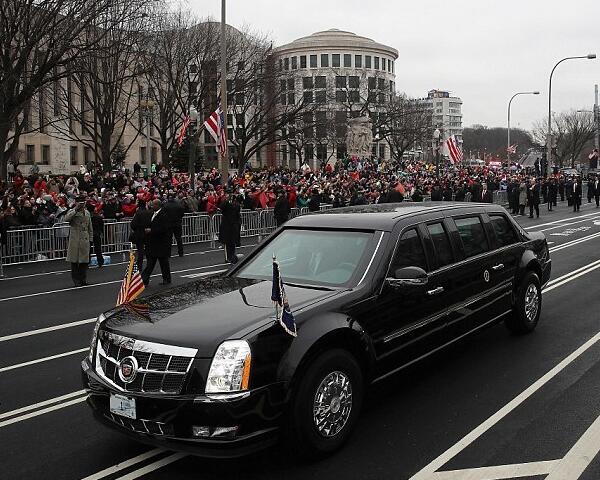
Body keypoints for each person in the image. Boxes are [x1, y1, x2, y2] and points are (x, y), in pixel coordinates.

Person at [141, 199, 172, 286]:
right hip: (153, 243)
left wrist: (151, 230)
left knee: (163, 263)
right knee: (150, 263)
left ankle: (166, 279)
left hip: (161, 243)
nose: (152, 206)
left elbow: (164, 229)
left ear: (158, 205)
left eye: (153, 205)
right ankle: (144, 279)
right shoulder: (152, 214)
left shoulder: (164, 215)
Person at [65, 196, 93, 286]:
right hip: (75, 239)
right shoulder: (72, 211)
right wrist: (76, 209)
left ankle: (83, 279)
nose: (82, 204)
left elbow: (90, 227)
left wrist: (91, 239)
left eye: (83, 202)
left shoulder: (87, 213)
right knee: (75, 261)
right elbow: (67, 218)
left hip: (85, 239)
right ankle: (76, 280)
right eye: (80, 203)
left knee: (84, 262)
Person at [218, 190, 241, 264]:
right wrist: (226, 200)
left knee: (232, 242)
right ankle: (228, 257)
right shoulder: (225, 203)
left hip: (233, 226)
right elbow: (221, 207)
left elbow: (237, 212)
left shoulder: (236, 204)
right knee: (227, 243)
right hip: (226, 226)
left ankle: (232, 256)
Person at [130, 200, 152, 271]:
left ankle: (139, 267)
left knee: (140, 251)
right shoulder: (149, 212)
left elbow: (133, 224)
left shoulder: (138, 213)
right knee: (148, 250)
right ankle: (149, 265)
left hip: (139, 233)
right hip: (147, 233)